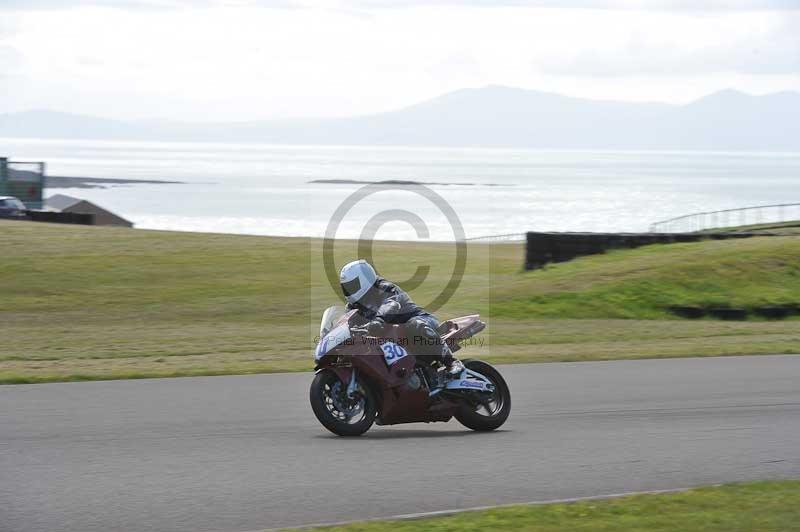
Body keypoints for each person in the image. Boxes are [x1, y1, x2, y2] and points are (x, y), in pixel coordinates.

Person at [339, 259, 465, 375]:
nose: (349, 290)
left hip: (420, 321)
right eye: (347, 287)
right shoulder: (354, 305)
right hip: (393, 340)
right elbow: (347, 322)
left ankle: (451, 361)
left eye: (352, 285)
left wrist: (378, 320)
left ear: (364, 279)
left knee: (414, 325)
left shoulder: (384, 287)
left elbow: (391, 304)